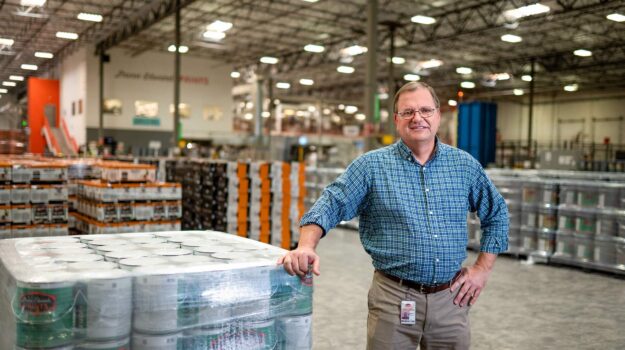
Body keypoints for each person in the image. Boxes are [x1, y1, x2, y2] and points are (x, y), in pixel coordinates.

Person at [278, 81, 509, 349]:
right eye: (408, 112)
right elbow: (330, 203)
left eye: (425, 110)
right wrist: (305, 245)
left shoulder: (464, 166)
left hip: (451, 300)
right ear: (396, 119)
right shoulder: (371, 166)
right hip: (393, 298)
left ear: (438, 115)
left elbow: (497, 213)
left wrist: (482, 269)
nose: (418, 118)